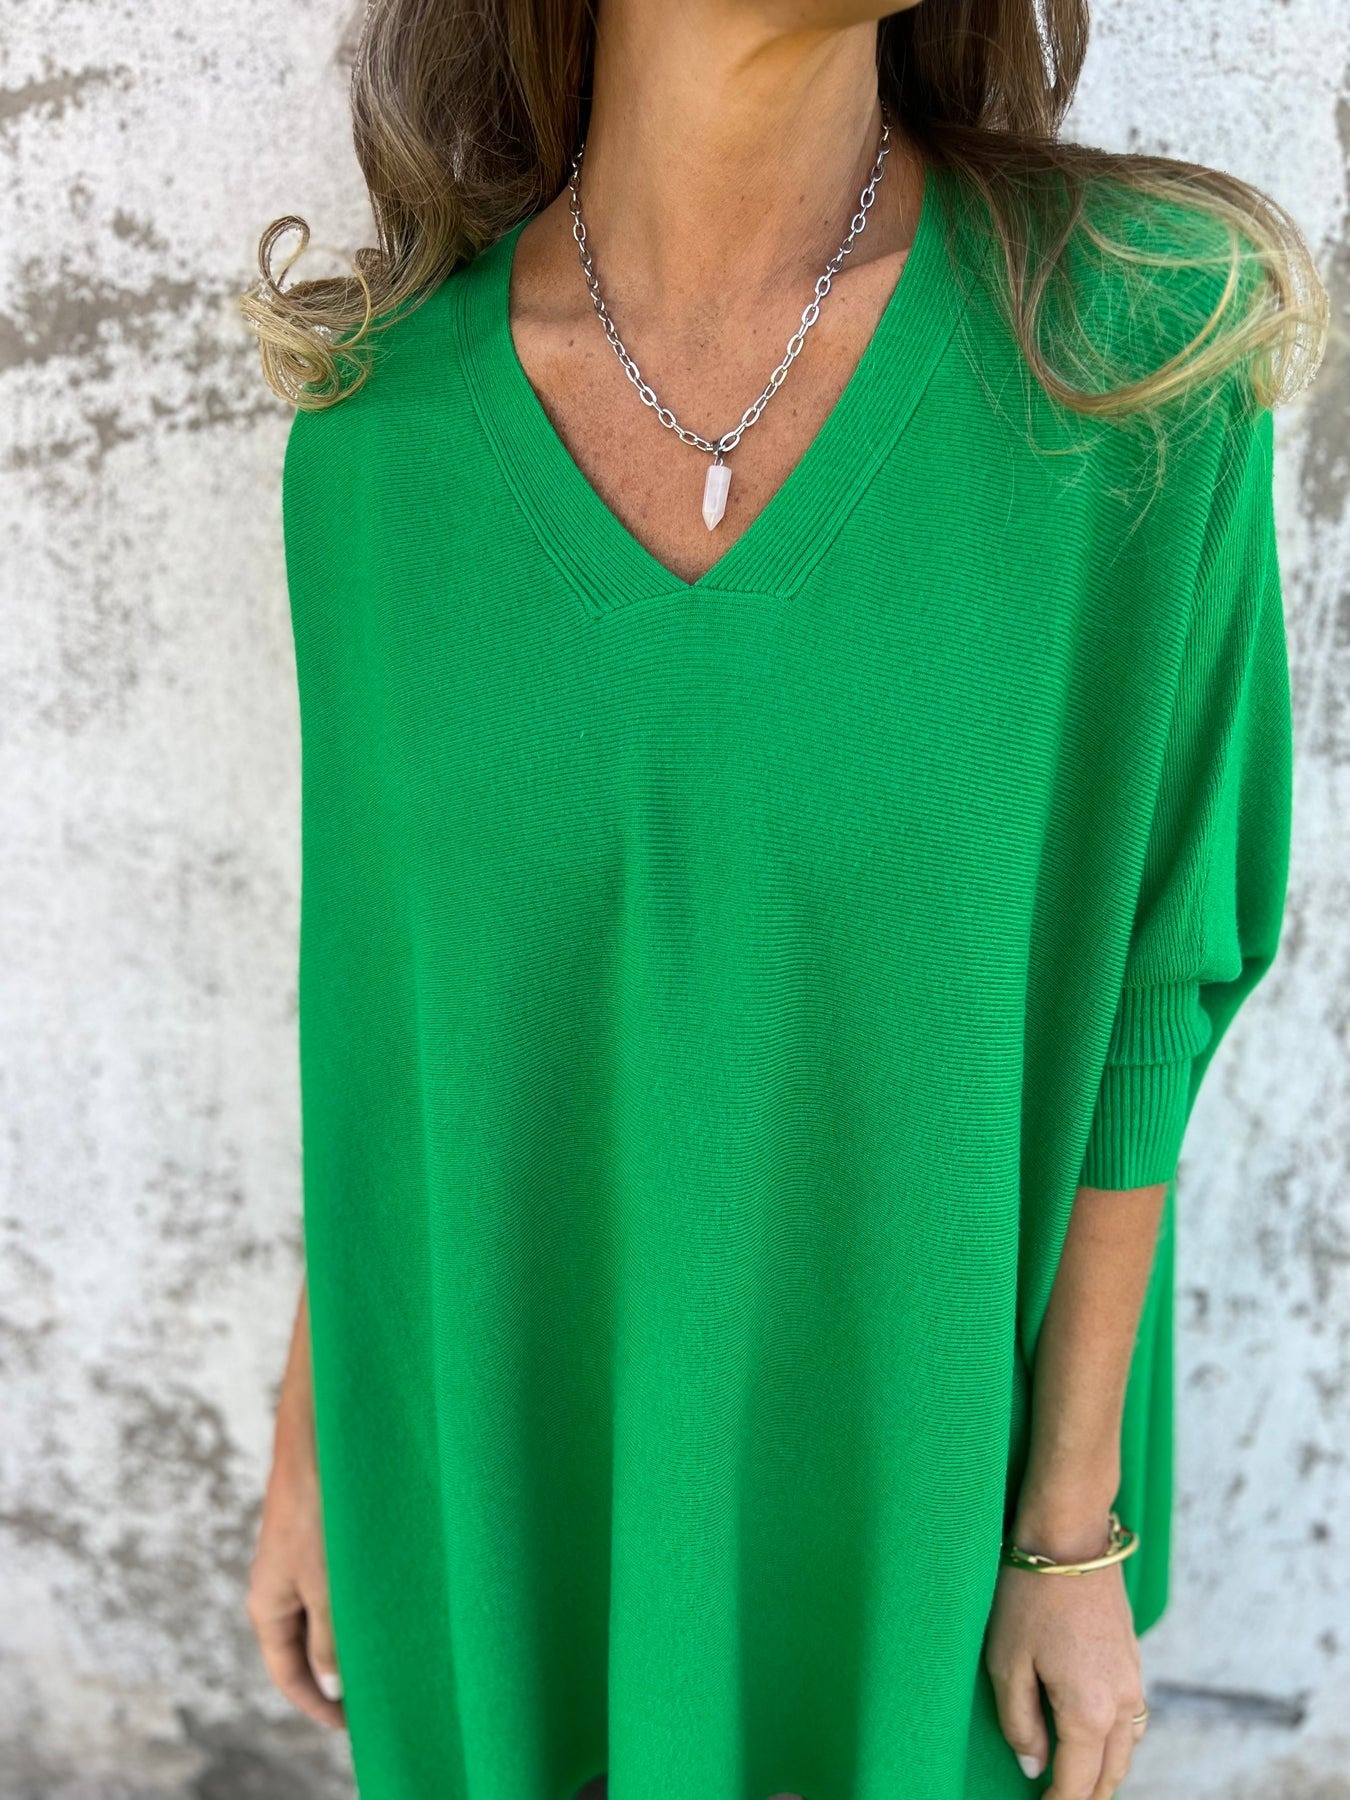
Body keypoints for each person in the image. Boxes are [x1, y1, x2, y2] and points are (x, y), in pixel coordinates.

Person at [239, 2, 1327, 1797]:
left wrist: (1067, 1534)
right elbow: (388, 1022)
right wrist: (317, 1438)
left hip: (923, 1534)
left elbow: (1158, 981)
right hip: (503, 1501)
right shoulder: (382, 438)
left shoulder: (1124, 354)